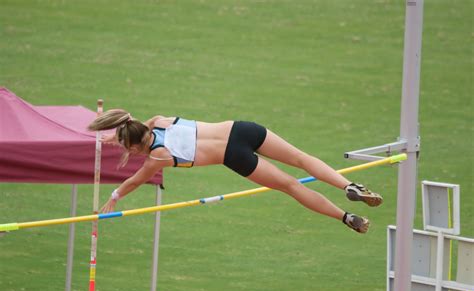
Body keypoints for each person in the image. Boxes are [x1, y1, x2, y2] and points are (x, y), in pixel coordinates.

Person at [88, 109, 383, 234]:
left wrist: (114, 196)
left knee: (292, 186)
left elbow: (133, 181)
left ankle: (346, 217)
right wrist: (114, 134)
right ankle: (348, 185)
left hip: (234, 156)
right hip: (242, 130)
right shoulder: (159, 120)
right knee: (301, 158)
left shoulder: (157, 158)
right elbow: (133, 123)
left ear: (135, 148)